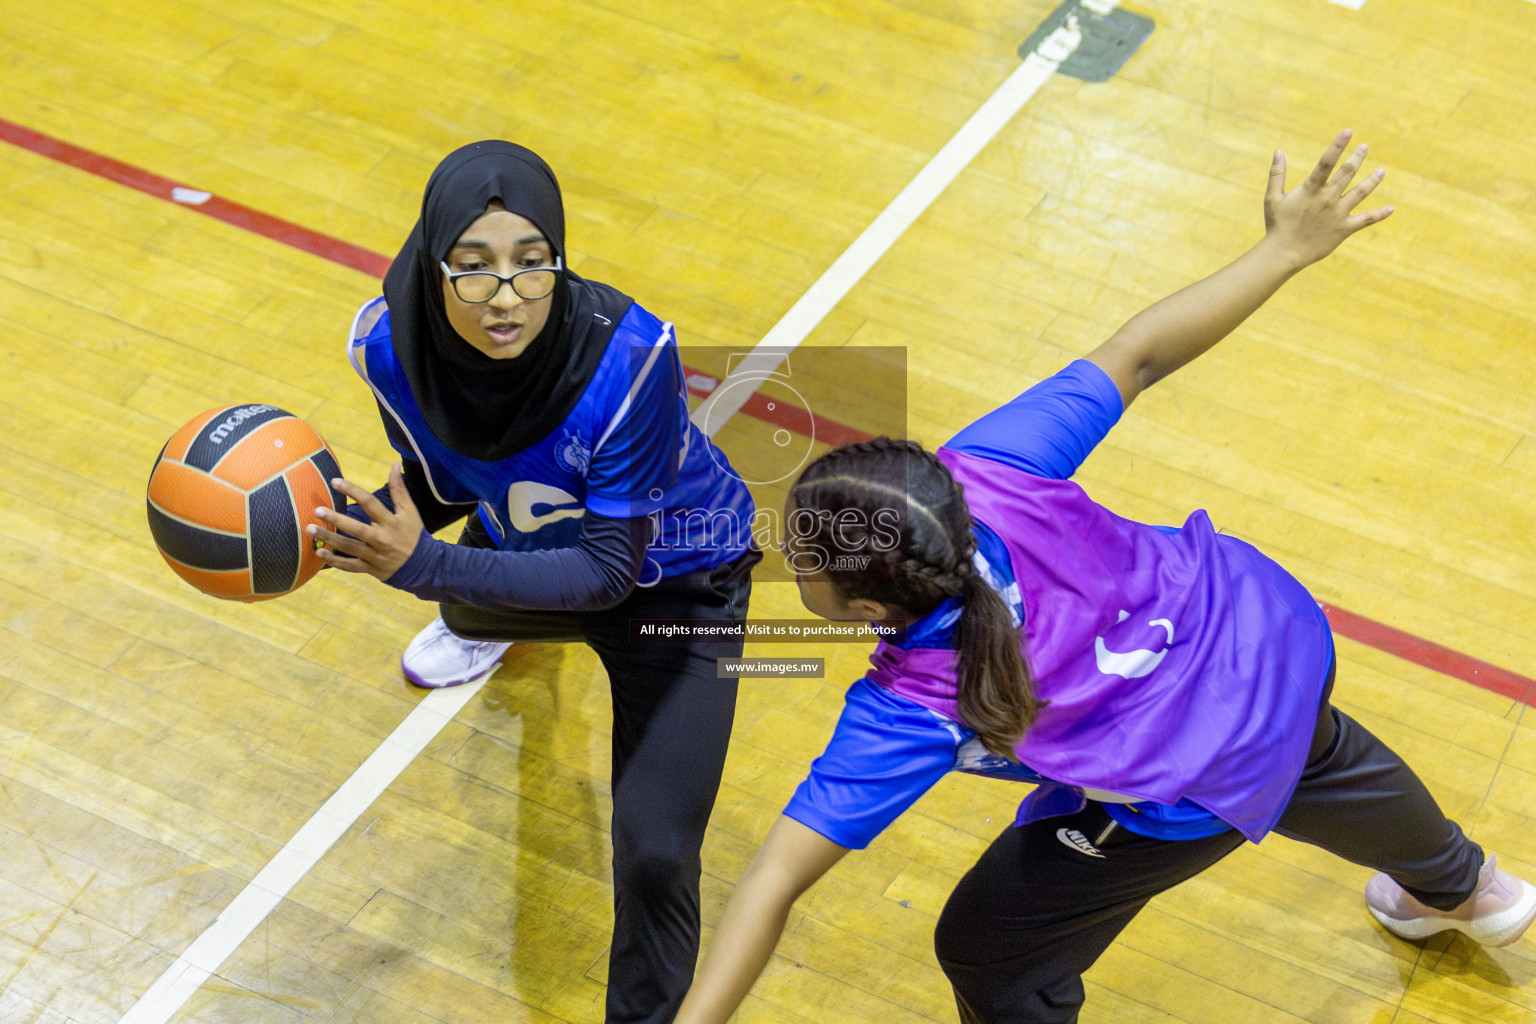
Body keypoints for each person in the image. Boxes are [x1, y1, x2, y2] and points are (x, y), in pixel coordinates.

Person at [671, 131, 1536, 1023]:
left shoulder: (913, 703)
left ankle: (1456, 884)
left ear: (863, 605)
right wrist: (1284, 248)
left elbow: (773, 883)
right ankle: (1469, 889)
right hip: (1260, 637)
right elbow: (1140, 353)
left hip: (1196, 762)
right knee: (1314, 749)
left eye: (802, 563)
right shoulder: (987, 469)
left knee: (987, 947)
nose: (791, 568)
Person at [305, 140, 761, 1024]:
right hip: (534, 547)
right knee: (462, 597)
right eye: (473, 270)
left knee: (657, 855)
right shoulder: (385, 346)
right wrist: (331, 524)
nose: (506, 298)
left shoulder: (631, 360)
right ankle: (490, 611)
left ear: (560, 257)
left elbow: (606, 573)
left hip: (676, 586)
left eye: (532, 265)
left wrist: (418, 560)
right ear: (434, 265)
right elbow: (441, 474)